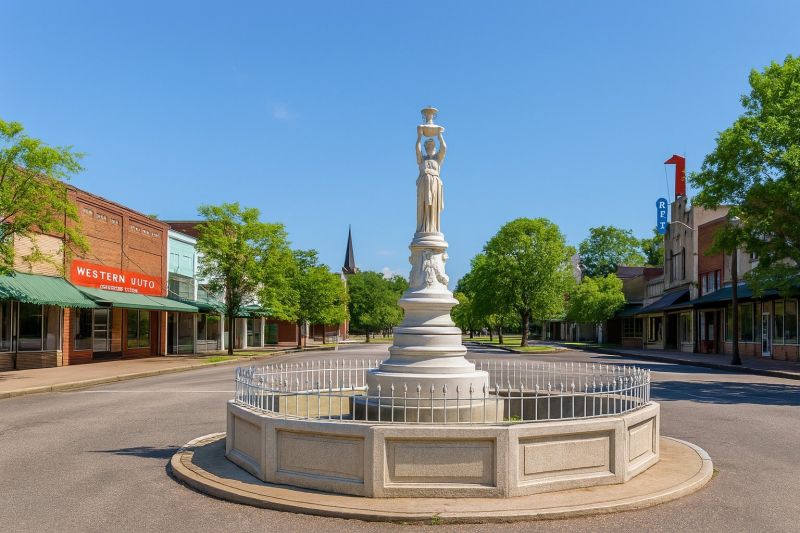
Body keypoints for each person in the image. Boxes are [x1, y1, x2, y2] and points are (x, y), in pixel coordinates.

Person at [415, 127, 446, 233]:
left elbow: (444, 148)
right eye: (427, 146)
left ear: (434, 147)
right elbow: (417, 151)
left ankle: (433, 229)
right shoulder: (422, 159)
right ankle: (423, 229)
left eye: (431, 146)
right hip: (423, 186)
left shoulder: (437, 158)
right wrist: (419, 136)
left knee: (432, 207)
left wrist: (440, 136)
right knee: (423, 208)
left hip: (434, 186)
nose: (429, 147)